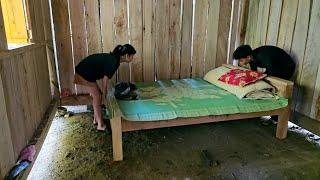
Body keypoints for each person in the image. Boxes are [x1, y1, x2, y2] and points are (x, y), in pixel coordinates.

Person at [74, 44, 136, 131]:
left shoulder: (114, 60)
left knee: (98, 96)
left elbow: (105, 78)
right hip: (83, 73)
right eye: (132, 56)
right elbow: (105, 79)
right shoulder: (114, 61)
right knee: (98, 96)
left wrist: (104, 92)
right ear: (126, 55)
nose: (133, 58)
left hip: (86, 72)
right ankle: (100, 125)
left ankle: (96, 120)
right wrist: (104, 92)